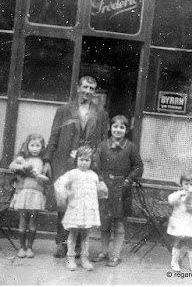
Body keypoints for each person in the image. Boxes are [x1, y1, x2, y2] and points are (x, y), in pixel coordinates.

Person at [43, 76, 109, 258]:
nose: (88, 91)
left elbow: (103, 142)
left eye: (92, 89)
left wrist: (96, 162)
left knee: (82, 204)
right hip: (64, 162)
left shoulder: (101, 113)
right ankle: (62, 243)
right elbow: (54, 136)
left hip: (87, 165)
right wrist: (47, 160)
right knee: (63, 203)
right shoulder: (64, 110)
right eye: (85, 87)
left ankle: (79, 246)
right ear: (78, 88)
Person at [92, 115, 143, 267]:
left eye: (122, 127)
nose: (118, 130)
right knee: (105, 223)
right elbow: (95, 164)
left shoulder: (131, 147)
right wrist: (100, 180)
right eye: (115, 127)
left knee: (119, 223)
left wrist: (128, 181)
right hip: (105, 189)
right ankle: (103, 252)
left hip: (122, 190)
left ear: (126, 130)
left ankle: (116, 255)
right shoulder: (102, 146)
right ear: (110, 128)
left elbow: (138, 167)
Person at [54, 146, 108, 271]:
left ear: (91, 162)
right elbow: (59, 184)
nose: (84, 163)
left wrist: (102, 190)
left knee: (86, 235)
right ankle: (70, 258)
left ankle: (84, 258)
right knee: (73, 233)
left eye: (87, 160)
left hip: (88, 209)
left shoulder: (94, 175)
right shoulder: (72, 174)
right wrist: (66, 193)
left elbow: (99, 193)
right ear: (77, 160)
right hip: (76, 208)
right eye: (81, 159)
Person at [9, 133, 48, 258]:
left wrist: (41, 177)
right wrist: (23, 166)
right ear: (27, 146)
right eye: (32, 145)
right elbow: (11, 166)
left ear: (42, 147)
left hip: (36, 193)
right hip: (24, 192)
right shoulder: (23, 159)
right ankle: (22, 247)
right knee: (22, 220)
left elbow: (47, 178)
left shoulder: (44, 162)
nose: (35, 148)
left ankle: (30, 247)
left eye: (38, 146)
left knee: (32, 222)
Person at [167, 170, 192, 273]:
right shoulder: (178, 194)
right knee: (178, 242)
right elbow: (171, 200)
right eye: (186, 184)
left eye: (191, 184)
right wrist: (179, 195)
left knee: (191, 244)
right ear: (181, 184)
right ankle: (174, 262)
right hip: (179, 223)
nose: (188, 186)